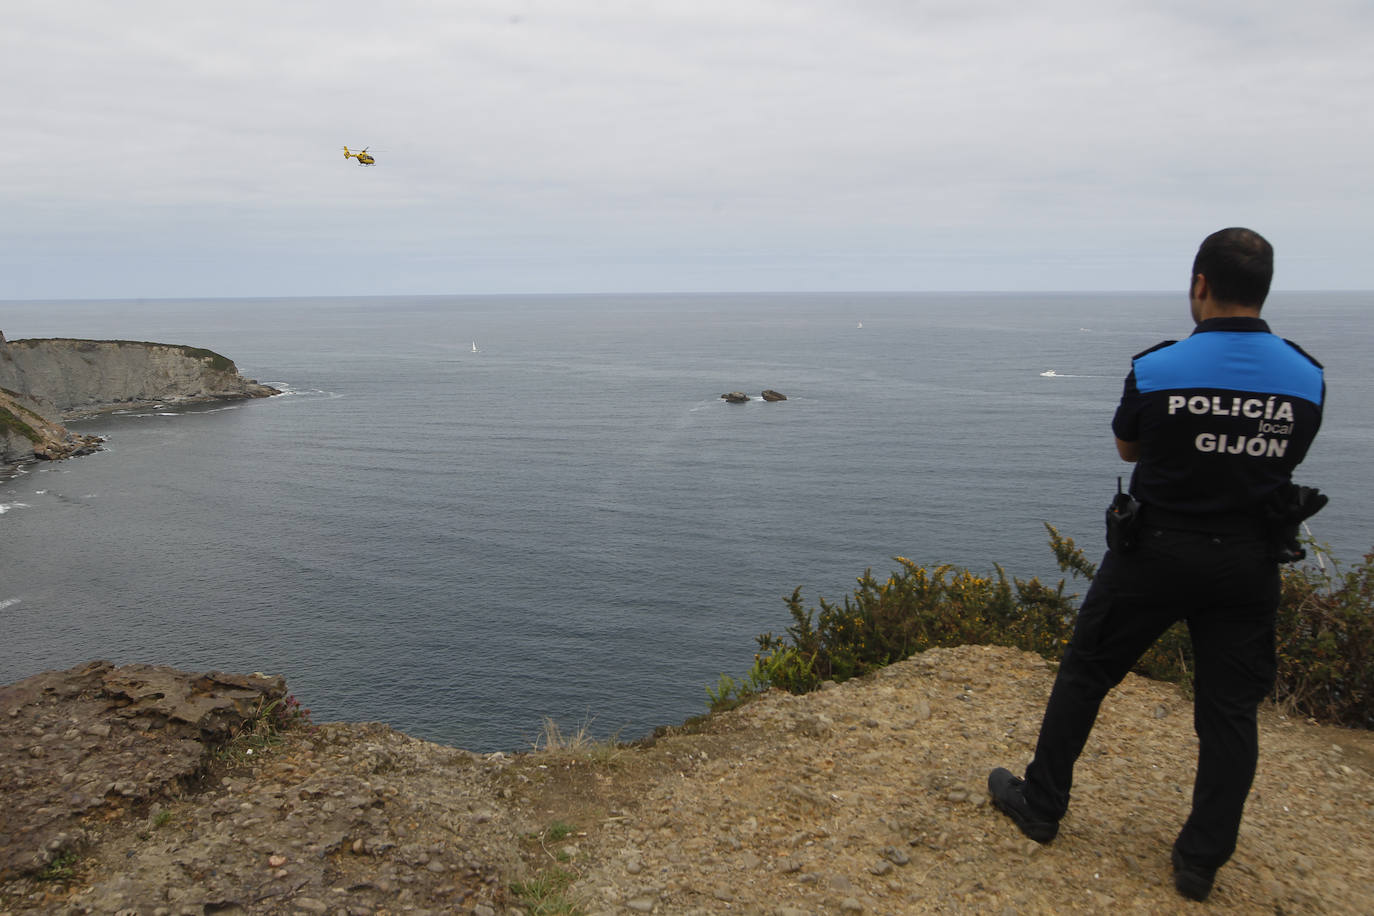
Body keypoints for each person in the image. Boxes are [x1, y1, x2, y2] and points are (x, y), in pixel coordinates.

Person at [987, 227, 1326, 902]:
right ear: (1263, 290)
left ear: (1200, 285)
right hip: (1247, 562)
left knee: (1087, 671)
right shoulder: (1306, 375)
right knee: (1229, 711)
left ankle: (1043, 805)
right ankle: (1200, 861)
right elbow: (1288, 457)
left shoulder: (1158, 369)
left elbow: (1127, 449)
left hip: (1157, 552)